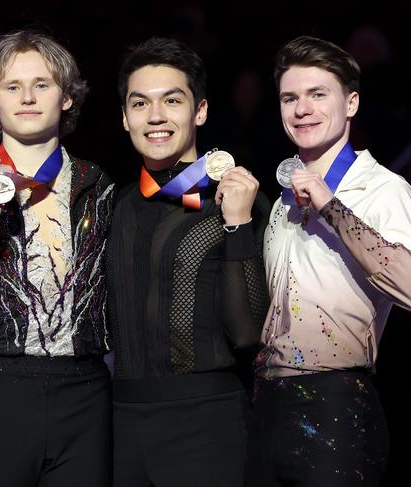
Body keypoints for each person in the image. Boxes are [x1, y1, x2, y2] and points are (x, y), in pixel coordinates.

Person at [0, 30, 115, 487]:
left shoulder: (98, 185)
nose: (27, 97)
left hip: (86, 391)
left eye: (42, 85)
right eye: (12, 87)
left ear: (67, 97)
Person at [246, 35, 411, 487]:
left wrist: (331, 207)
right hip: (268, 402)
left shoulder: (382, 188)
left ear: (351, 103)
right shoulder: (281, 197)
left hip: (337, 402)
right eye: (290, 98)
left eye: (318, 94)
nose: (302, 109)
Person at [106, 37, 269, 487]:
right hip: (119, 428)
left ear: (199, 111)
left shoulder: (236, 201)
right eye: (140, 104)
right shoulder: (112, 207)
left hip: (208, 424)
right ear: (125, 117)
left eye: (172, 101)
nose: (155, 116)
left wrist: (236, 224)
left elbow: (248, 332)